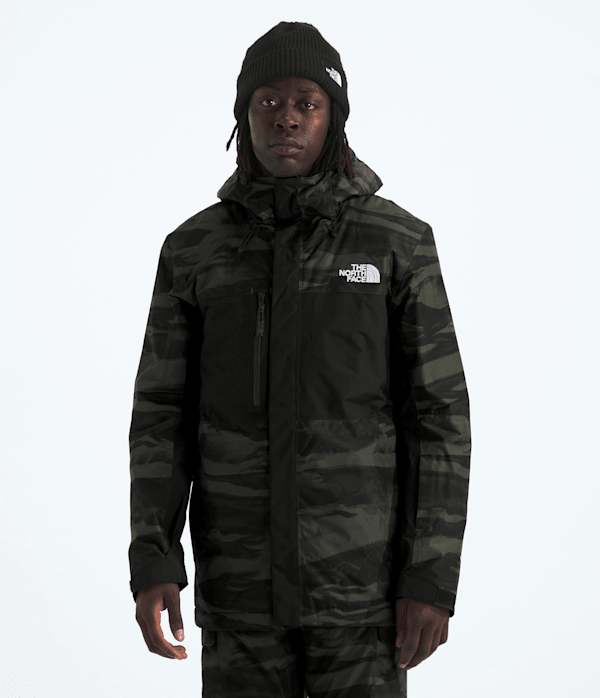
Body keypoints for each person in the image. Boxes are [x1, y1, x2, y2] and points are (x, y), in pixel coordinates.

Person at [129, 21, 471, 698]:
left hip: (363, 599)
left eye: (306, 103)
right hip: (240, 597)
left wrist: (430, 578)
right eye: (268, 102)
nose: (285, 118)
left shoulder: (396, 242)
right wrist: (154, 557)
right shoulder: (194, 249)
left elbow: (438, 418)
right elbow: (161, 417)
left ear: (333, 118)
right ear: (243, 116)